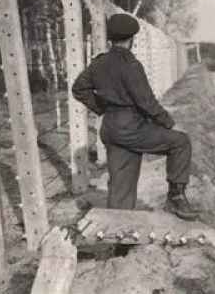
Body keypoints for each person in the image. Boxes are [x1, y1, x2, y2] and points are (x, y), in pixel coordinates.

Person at [72, 13, 199, 220]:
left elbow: (79, 89)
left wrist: (102, 108)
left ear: (110, 39)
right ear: (131, 39)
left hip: (110, 128)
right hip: (132, 126)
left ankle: (118, 232)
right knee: (180, 142)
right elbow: (146, 101)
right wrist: (168, 123)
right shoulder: (131, 64)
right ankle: (175, 198)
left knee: (121, 185)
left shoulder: (98, 63)